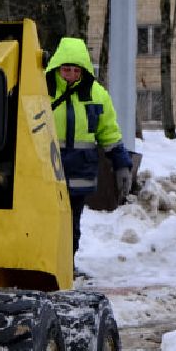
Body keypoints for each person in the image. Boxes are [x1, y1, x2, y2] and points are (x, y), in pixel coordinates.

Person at [45, 37, 132, 273]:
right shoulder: (41, 90)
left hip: (79, 173)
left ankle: (66, 266)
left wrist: (122, 164)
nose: (70, 74)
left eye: (75, 70)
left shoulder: (97, 95)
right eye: (66, 69)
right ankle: (46, 267)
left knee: (72, 224)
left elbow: (109, 132)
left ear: (82, 70)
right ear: (57, 68)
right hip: (46, 173)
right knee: (47, 223)